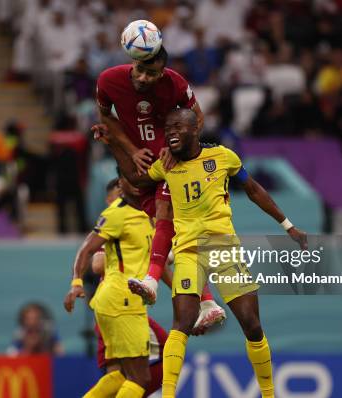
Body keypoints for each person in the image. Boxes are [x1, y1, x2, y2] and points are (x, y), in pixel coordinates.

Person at [106, 108, 308, 398]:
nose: (171, 132)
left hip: (223, 247)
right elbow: (136, 180)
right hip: (188, 251)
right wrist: (113, 142)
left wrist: (288, 225)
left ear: (194, 130)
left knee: (252, 324)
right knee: (183, 322)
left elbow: (253, 189)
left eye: (178, 127)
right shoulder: (167, 165)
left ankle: (269, 394)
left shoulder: (223, 157)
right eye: (168, 128)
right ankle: (169, 394)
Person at [93, 44, 225, 332]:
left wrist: (174, 148)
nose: (143, 78)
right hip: (142, 170)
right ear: (133, 63)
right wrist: (126, 147)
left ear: (162, 72)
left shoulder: (175, 83)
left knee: (169, 225)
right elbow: (106, 117)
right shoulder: (108, 80)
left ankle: (173, 290)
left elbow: (197, 117)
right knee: (168, 236)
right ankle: (207, 302)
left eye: (151, 74)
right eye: (140, 70)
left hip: (172, 168)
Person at [64, 170, 162, 397]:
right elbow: (87, 249)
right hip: (122, 301)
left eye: (140, 179)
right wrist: (76, 282)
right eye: (130, 179)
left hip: (122, 301)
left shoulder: (149, 212)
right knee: (140, 378)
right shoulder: (117, 214)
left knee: (123, 374)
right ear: (121, 183)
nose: (137, 184)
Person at [90, 178, 169, 397]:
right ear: (110, 198)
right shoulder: (114, 220)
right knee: (142, 371)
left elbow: (158, 259)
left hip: (120, 304)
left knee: (121, 374)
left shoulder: (142, 218)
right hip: (119, 305)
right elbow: (96, 263)